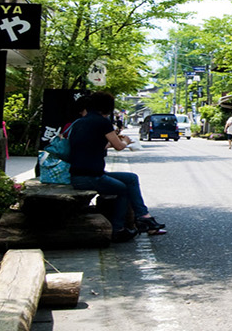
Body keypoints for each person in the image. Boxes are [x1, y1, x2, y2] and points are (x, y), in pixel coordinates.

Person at [67, 91, 167, 242]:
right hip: (91, 176)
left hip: (78, 174)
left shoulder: (79, 122)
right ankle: (118, 229)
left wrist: (116, 142)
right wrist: (126, 141)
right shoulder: (102, 122)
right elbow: (119, 146)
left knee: (131, 178)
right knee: (122, 189)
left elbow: (100, 145)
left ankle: (143, 217)